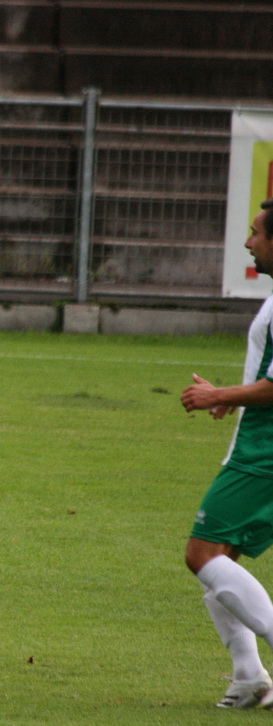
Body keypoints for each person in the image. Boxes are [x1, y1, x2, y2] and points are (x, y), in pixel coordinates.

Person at [181, 198, 273, 709]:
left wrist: (218, 396)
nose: (248, 242)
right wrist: (231, 397)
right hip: (258, 443)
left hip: (264, 453)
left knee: (202, 553)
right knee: (222, 557)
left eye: (257, 233)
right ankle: (247, 679)